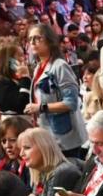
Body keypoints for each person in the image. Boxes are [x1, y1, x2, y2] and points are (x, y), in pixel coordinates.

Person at [24, 23, 87, 158]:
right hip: (48, 133)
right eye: (30, 39)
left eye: (37, 38)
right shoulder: (38, 68)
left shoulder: (60, 66)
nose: (32, 42)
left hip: (65, 138)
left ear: (49, 40)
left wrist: (41, 107)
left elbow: (71, 103)